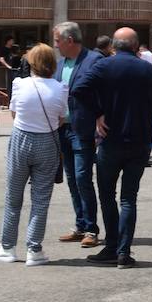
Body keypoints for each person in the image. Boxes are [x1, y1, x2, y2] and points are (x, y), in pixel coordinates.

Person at [71, 27, 152, 268]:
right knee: (128, 198)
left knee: (107, 195)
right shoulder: (147, 69)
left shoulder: (103, 66)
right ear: (135, 46)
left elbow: (78, 90)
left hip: (111, 140)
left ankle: (112, 247)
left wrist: (99, 113)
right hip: (140, 141)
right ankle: (123, 252)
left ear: (113, 46)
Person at [0, 43, 67, 266]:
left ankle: (7, 247)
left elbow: (15, 114)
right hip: (48, 142)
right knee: (41, 200)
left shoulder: (19, 84)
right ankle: (34, 249)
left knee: (13, 198)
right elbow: (61, 118)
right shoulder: (61, 87)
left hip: (21, 139)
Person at [52, 21, 102, 248]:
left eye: (57, 41)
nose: (55, 45)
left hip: (83, 129)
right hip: (64, 130)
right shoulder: (60, 64)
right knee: (72, 179)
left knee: (83, 178)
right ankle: (80, 225)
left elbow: (103, 93)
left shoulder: (94, 61)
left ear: (69, 40)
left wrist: (101, 116)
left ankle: (92, 228)